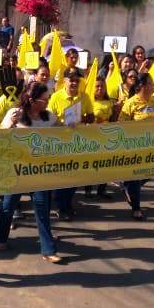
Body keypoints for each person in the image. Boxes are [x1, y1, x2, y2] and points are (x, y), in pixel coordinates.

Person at [0, 83, 63, 263]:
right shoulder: (14, 114)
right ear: (32, 101)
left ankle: (48, 250)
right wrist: (11, 125)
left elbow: (64, 133)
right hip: (16, 169)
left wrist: (71, 125)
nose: (48, 101)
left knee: (42, 208)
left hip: (39, 171)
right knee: (8, 205)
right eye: (45, 99)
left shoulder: (49, 117)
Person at [118, 73, 154, 220]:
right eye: (151, 83)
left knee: (150, 171)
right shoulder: (131, 103)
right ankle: (136, 208)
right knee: (136, 174)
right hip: (135, 146)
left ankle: (127, 184)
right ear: (142, 86)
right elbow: (121, 124)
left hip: (153, 145)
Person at [47, 68, 93, 220]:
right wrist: (62, 124)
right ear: (64, 81)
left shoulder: (84, 97)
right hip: (60, 143)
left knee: (74, 176)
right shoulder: (55, 97)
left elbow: (91, 116)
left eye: (76, 80)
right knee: (63, 176)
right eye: (71, 79)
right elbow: (48, 118)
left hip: (77, 143)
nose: (74, 82)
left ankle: (67, 203)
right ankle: (62, 206)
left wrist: (83, 119)